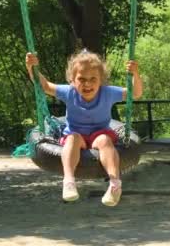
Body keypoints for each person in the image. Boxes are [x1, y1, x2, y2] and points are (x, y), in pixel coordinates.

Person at [25, 49, 143, 205]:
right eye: (81, 79)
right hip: (75, 135)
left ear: (101, 80)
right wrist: (31, 68)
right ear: (72, 80)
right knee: (72, 139)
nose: (87, 83)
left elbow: (135, 93)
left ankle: (115, 184)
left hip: (99, 134)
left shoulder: (107, 92)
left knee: (105, 140)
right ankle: (69, 181)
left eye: (93, 78)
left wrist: (135, 74)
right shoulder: (69, 92)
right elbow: (44, 86)